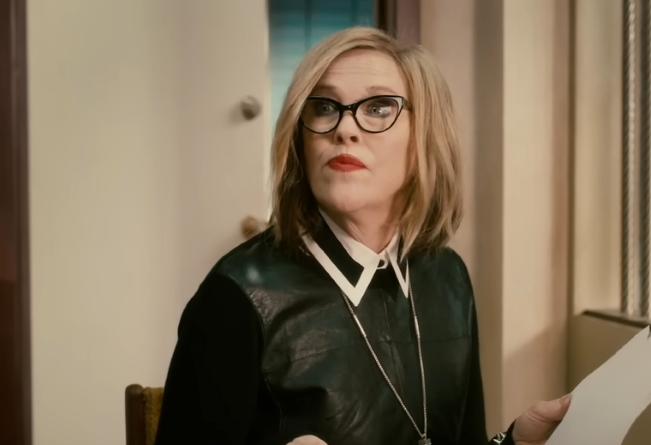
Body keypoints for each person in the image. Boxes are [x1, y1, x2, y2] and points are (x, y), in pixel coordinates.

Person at [153, 26, 570, 445]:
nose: (345, 129)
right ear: (300, 139)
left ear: (426, 134)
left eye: (378, 107)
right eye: (324, 107)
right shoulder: (234, 297)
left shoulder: (449, 277)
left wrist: (515, 443)